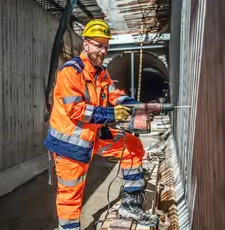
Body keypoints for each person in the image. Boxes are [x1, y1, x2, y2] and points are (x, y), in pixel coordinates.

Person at [44, 19, 159, 230]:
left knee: (131, 147)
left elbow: (114, 95)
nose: (103, 50)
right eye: (98, 45)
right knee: (71, 196)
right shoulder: (70, 72)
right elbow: (76, 110)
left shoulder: (101, 73)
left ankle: (130, 204)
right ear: (85, 44)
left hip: (93, 136)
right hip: (70, 144)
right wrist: (110, 113)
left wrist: (137, 106)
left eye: (106, 46)